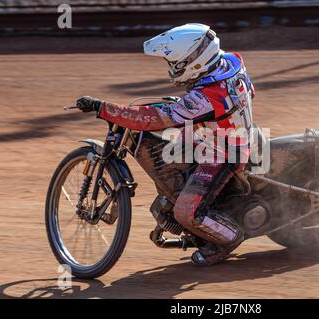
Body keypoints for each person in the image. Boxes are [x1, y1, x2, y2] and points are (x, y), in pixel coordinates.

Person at [76, 23, 255, 266]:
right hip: (215, 137)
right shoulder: (232, 62)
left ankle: (229, 238)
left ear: (195, 61)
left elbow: (157, 119)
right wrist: (191, 109)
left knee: (186, 212)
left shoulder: (208, 96)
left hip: (224, 153)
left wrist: (104, 108)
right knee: (170, 174)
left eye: (176, 64)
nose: (172, 69)